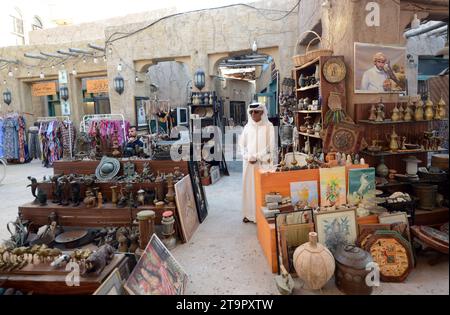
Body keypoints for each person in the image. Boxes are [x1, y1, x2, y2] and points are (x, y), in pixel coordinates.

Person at [239, 102, 276, 223]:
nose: (253, 114)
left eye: (256, 112)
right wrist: (247, 156)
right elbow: (241, 145)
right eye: (251, 112)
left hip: (263, 163)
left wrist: (257, 156)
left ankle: (262, 216)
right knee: (249, 189)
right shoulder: (247, 127)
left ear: (262, 112)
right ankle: (249, 214)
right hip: (249, 164)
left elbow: (271, 146)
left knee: (262, 189)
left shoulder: (268, 126)